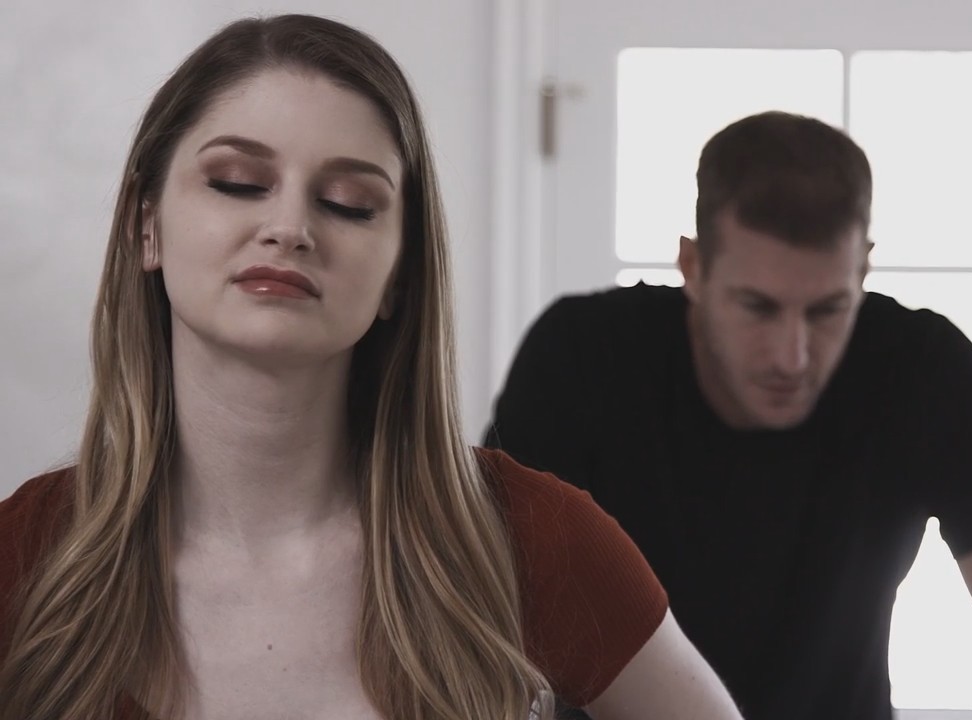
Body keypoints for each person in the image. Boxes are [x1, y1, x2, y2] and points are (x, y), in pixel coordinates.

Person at [0, 15, 744, 720]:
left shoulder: (533, 540)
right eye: (237, 182)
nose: (289, 228)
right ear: (147, 225)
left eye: (349, 203)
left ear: (399, 273)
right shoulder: (25, 556)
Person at [485, 110, 972, 719]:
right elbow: (488, 620)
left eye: (827, 310)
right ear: (694, 268)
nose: (792, 356)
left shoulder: (923, 369)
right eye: (758, 307)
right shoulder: (583, 358)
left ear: (863, 268)